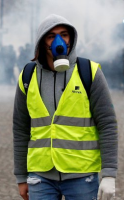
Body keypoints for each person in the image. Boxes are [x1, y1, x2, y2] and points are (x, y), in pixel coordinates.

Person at [13, 14, 118, 200]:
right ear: (42, 41)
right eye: (51, 35)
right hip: (40, 176)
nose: (58, 40)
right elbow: (20, 129)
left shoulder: (90, 72)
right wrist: (21, 177)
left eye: (64, 34)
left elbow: (107, 124)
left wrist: (109, 174)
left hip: (81, 176)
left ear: (71, 39)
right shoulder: (27, 76)